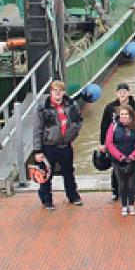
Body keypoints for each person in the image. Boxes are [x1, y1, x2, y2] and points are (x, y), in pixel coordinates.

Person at [32, 80, 84, 210]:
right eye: (55, 90)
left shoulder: (71, 105)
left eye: (60, 91)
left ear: (64, 92)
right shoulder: (43, 107)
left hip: (66, 145)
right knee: (45, 174)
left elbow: (78, 120)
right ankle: (46, 200)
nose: (57, 93)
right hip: (49, 145)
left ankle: (73, 196)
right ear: (50, 92)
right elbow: (37, 129)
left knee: (69, 171)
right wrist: (37, 150)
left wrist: (74, 132)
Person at [99, 83, 135, 202]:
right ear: (116, 93)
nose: (122, 94)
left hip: (132, 144)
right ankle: (115, 192)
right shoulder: (110, 107)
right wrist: (103, 143)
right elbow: (104, 125)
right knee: (115, 170)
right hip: (115, 144)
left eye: (125, 91)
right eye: (120, 92)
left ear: (129, 93)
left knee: (134, 169)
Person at [105, 104, 135, 217]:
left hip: (132, 158)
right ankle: (124, 205)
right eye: (122, 114)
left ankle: (131, 204)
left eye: (126, 114)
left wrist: (134, 155)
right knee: (121, 183)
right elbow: (109, 143)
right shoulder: (113, 126)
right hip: (118, 160)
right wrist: (119, 156)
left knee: (131, 183)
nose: (123, 116)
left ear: (130, 115)